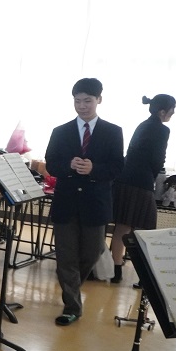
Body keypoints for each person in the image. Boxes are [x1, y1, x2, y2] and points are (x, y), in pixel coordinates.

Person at [45, 78, 124, 326]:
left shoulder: (113, 132)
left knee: (92, 252)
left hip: (95, 204)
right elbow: (51, 163)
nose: (82, 106)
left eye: (87, 101)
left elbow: (117, 167)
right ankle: (72, 306)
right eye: (77, 101)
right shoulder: (60, 131)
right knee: (66, 256)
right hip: (66, 203)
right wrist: (68, 165)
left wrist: (94, 169)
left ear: (99, 99)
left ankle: (71, 287)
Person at [109, 94, 176, 283]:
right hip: (141, 181)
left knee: (122, 226)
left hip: (124, 178)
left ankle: (116, 270)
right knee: (147, 229)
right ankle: (145, 277)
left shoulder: (143, 125)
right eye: (172, 109)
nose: (173, 112)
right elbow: (158, 159)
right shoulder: (162, 129)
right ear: (162, 111)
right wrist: (153, 177)